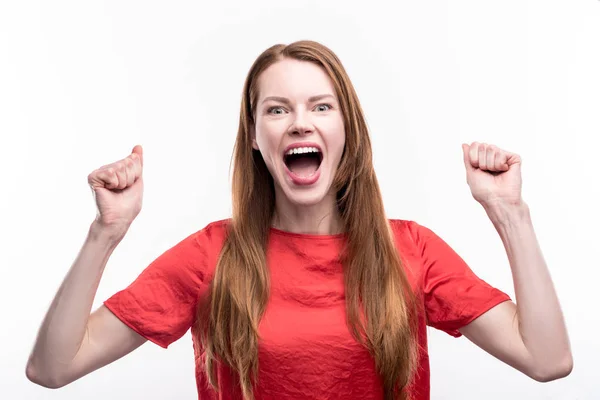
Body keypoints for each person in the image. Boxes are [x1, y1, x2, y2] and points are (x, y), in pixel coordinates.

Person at [25, 40, 572, 400]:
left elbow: (547, 361)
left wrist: (510, 213)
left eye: (321, 106)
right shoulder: (211, 255)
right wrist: (106, 233)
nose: (298, 123)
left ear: (346, 132)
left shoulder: (412, 250)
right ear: (258, 138)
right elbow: (53, 368)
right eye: (277, 109)